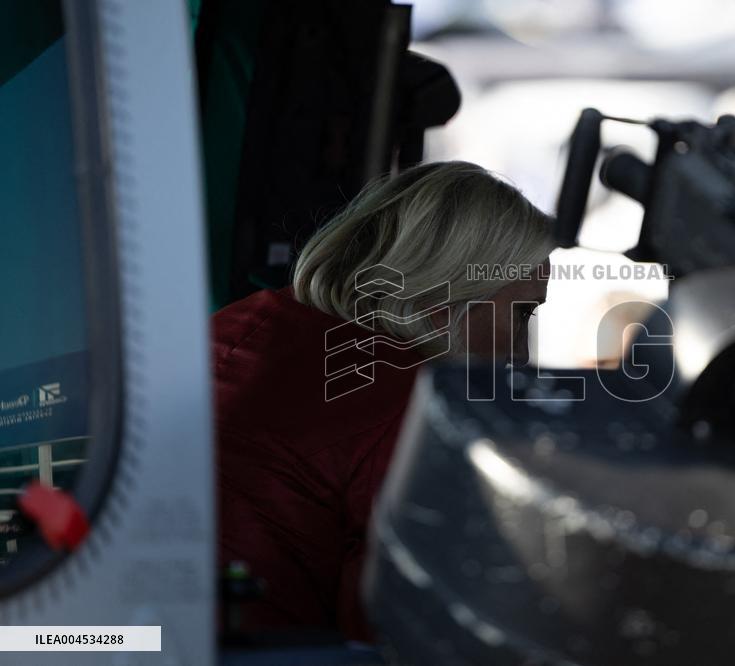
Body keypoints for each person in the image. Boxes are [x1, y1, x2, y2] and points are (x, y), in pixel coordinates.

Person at [212, 161, 553, 642]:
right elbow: (402, 634)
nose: (524, 353)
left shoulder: (239, 324)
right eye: (524, 314)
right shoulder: (408, 409)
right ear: (444, 304)